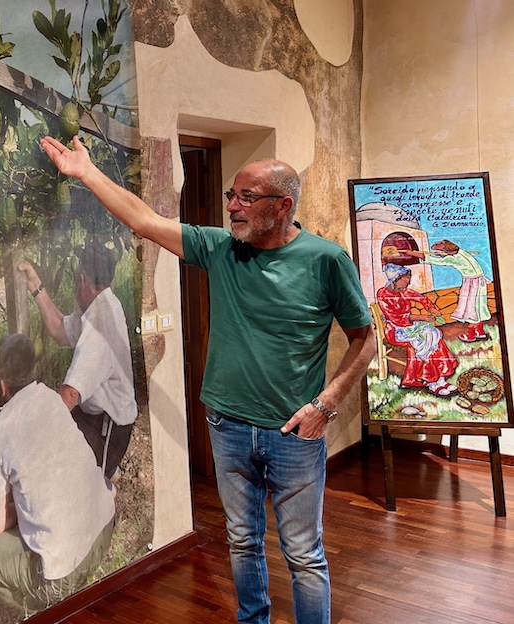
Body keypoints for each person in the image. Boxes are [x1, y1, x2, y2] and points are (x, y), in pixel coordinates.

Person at [40, 136, 376, 624]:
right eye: (230, 196)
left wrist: (326, 405)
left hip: (296, 433)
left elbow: (365, 340)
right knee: (242, 542)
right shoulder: (221, 249)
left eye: (245, 198)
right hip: (228, 427)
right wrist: (87, 173)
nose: (233, 208)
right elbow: (143, 219)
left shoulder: (325, 261)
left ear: (282, 207)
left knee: (303, 555)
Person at [0, 334, 115, 610]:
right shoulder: (52, 399)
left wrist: (17, 508)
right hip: (104, 528)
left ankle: (33, 611)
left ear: (1, 383)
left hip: (64, 571)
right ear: (34, 372)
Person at [18, 242, 136, 482]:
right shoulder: (99, 304)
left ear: (82, 280)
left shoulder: (99, 324)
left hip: (108, 431)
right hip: (95, 417)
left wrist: (35, 431)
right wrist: (34, 285)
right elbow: (60, 330)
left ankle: (100, 472)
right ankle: (100, 470)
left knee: (50, 463)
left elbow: (70, 394)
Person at [375, 263, 458, 396]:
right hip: (396, 331)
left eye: (408, 277)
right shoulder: (383, 294)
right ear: (395, 279)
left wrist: (430, 308)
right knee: (424, 342)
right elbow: (397, 318)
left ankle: (441, 379)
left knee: (434, 336)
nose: (408, 281)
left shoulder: (403, 291)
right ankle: (431, 382)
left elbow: (420, 298)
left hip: (409, 327)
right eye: (404, 278)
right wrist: (423, 317)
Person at [406, 239, 491, 342]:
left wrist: (412, 253)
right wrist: (441, 254)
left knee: (471, 309)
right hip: (479, 283)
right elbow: (448, 256)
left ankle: (471, 335)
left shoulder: (453, 259)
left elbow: (436, 260)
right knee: (478, 308)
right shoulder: (461, 252)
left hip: (471, 285)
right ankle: (480, 332)